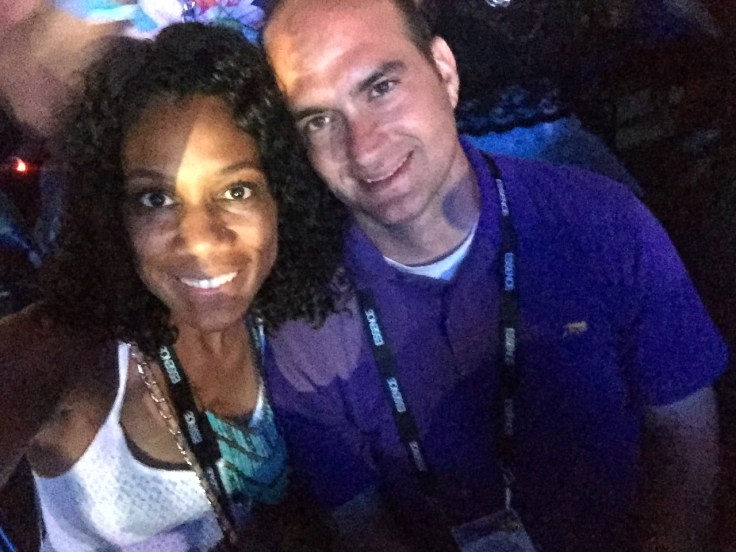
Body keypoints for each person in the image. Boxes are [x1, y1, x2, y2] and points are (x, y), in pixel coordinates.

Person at [260, 0, 728, 550]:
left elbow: (685, 438)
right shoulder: (305, 325)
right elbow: (361, 525)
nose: (363, 149)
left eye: (381, 87)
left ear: (445, 72)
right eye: (319, 119)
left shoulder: (602, 222)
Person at [0, 21, 344, 551]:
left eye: (236, 190)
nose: (200, 240)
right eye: (156, 199)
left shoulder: (283, 319)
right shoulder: (67, 351)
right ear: (115, 212)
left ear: (280, 195)